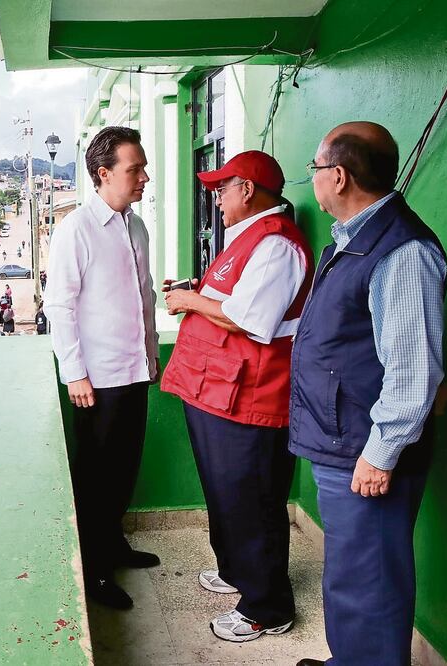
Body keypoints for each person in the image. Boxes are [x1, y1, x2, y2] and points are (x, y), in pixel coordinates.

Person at [291, 122, 447, 666]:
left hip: (366, 448)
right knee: (351, 576)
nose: (313, 178)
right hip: (346, 440)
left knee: (371, 585)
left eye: (315, 168)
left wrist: (381, 454)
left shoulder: (400, 251)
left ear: (338, 176)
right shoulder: (356, 239)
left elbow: (413, 369)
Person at [159, 150, 313, 642]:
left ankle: (267, 607)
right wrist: (197, 292)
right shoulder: (248, 236)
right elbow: (232, 299)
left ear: (247, 190)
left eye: (222, 189)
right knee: (225, 493)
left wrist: (189, 300)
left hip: (250, 398)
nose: (217, 199)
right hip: (216, 389)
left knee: (252, 501)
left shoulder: (277, 243)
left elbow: (251, 319)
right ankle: (236, 571)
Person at [45, 125, 161, 610]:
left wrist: (151, 354)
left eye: (143, 168)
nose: (144, 177)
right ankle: (93, 570)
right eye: (135, 169)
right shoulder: (77, 228)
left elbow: (144, 296)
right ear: (103, 173)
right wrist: (75, 372)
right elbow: (59, 304)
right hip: (97, 381)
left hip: (135, 372)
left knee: (125, 469)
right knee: (96, 481)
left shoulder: (136, 227)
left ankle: (114, 546)